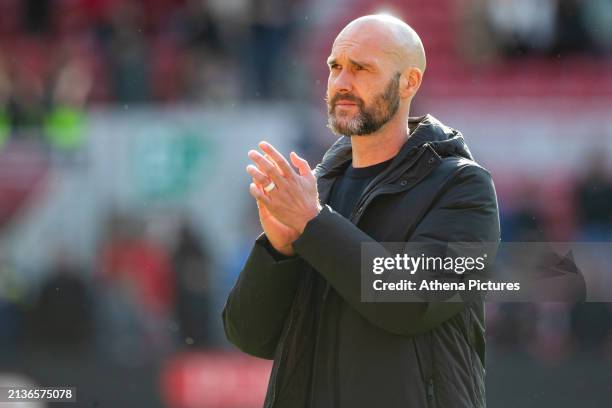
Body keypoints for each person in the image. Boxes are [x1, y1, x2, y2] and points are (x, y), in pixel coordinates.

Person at [223, 14, 500, 408]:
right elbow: (249, 336)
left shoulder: (464, 187)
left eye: (362, 69)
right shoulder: (317, 190)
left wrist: (313, 224)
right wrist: (277, 251)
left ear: (410, 82)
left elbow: (411, 303)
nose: (342, 82)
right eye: (335, 67)